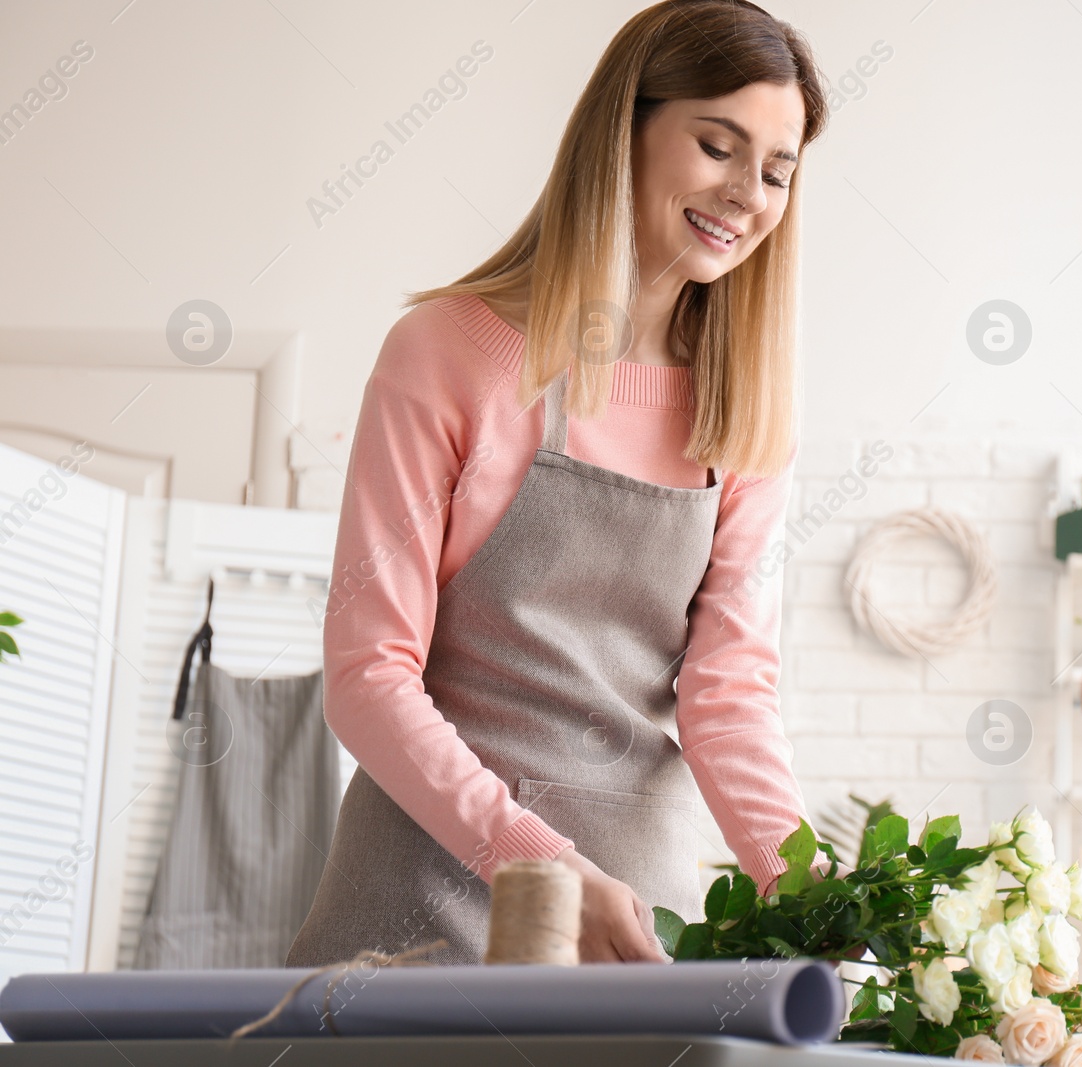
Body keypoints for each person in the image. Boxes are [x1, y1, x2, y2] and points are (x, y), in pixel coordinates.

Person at [285, 0, 834, 970]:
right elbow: (369, 675)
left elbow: (727, 697)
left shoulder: (745, 413)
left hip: (636, 937)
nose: (748, 193)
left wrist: (826, 899)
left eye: (777, 171)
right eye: (718, 145)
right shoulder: (450, 352)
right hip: (418, 906)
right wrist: (547, 870)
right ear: (624, 129)